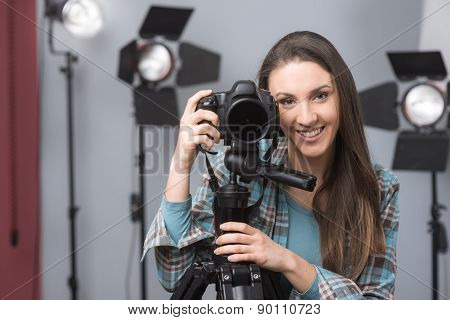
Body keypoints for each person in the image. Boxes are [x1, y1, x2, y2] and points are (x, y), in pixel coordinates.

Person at [141, 31, 399, 300]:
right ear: (270, 111)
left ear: (343, 97)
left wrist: (289, 263)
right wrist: (180, 165)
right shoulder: (238, 168)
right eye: (288, 101)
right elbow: (174, 276)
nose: (307, 117)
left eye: (320, 96)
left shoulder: (380, 189)